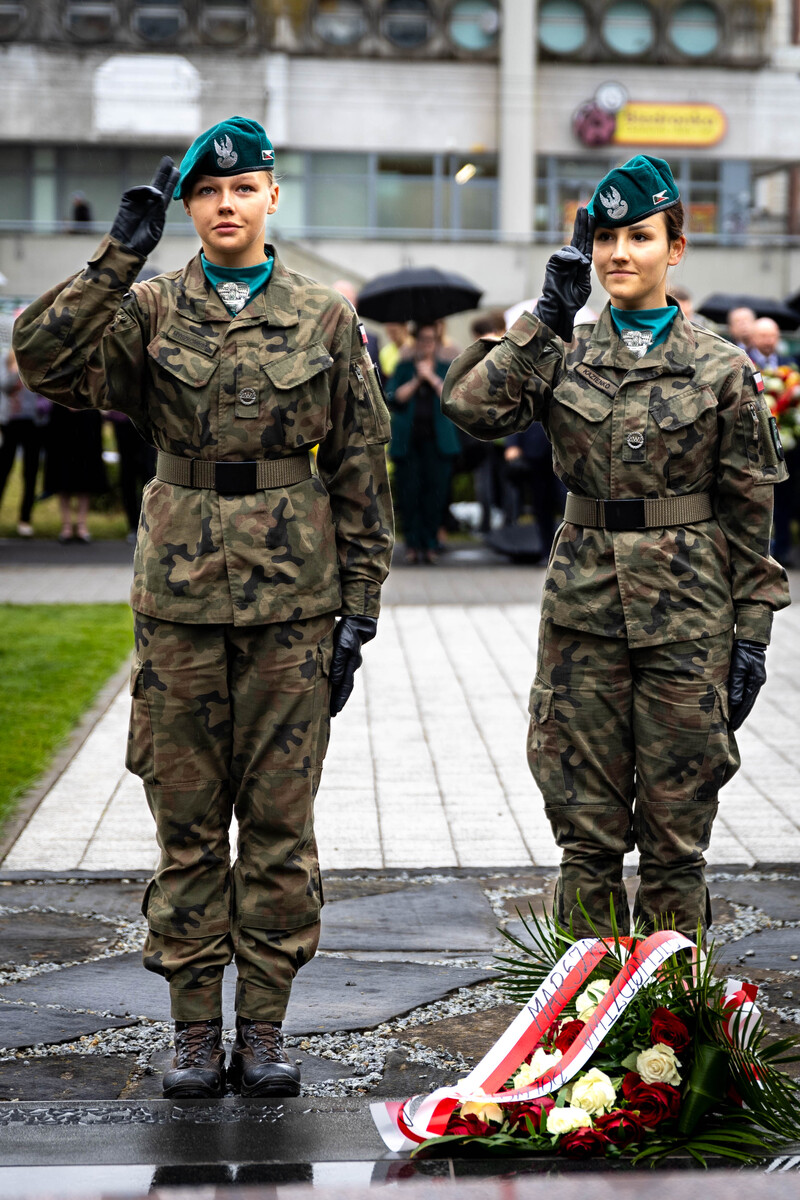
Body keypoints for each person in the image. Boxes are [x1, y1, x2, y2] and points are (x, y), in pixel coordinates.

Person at [14, 116, 393, 1098]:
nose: (225, 205)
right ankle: (193, 1029)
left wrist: (359, 606)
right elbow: (42, 362)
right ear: (189, 206)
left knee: (277, 823)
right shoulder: (143, 310)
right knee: (185, 822)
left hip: (292, 608)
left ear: (273, 196)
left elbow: (359, 466)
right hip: (178, 602)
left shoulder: (322, 317)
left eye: (243, 188)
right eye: (206, 193)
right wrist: (115, 256)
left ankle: (261, 1027)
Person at [442, 154, 789, 943]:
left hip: (688, 623)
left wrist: (752, 633)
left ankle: (669, 1031)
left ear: (677, 247)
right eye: (605, 239)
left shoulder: (720, 368)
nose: (619, 254)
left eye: (639, 236)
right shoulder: (562, 350)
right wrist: (544, 316)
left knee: (676, 845)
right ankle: (582, 1032)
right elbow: (470, 408)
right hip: (584, 623)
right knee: (587, 841)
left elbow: (748, 513)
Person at [386, 322, 460, 564]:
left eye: (431, 340)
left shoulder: (446, 368)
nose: (426, 345)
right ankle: (412, 543)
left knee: (436, 493)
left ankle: (430, 543)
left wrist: (431, 377)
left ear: (436, 342)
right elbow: (394, 397)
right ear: (415, 342)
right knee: (409, 493)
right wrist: (418, 379)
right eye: (422, 340)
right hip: (408, 443)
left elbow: (455, 398)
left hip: (438, 443)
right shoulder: (405, 367)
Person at [44, 403, 109, 543]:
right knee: (62, 474)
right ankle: (66, 525)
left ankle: (82, 525)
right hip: (62, 417)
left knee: (86, 474)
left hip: (88, 415)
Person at [0, 348, 47, 536]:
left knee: (31, 472)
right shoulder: (7, 357)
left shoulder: (40, 358)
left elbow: (44, 390)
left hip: (33, 423)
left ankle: (25, 519)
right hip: (11, 421)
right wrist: (15, 368)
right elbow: (3, 385)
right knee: (3, 470)